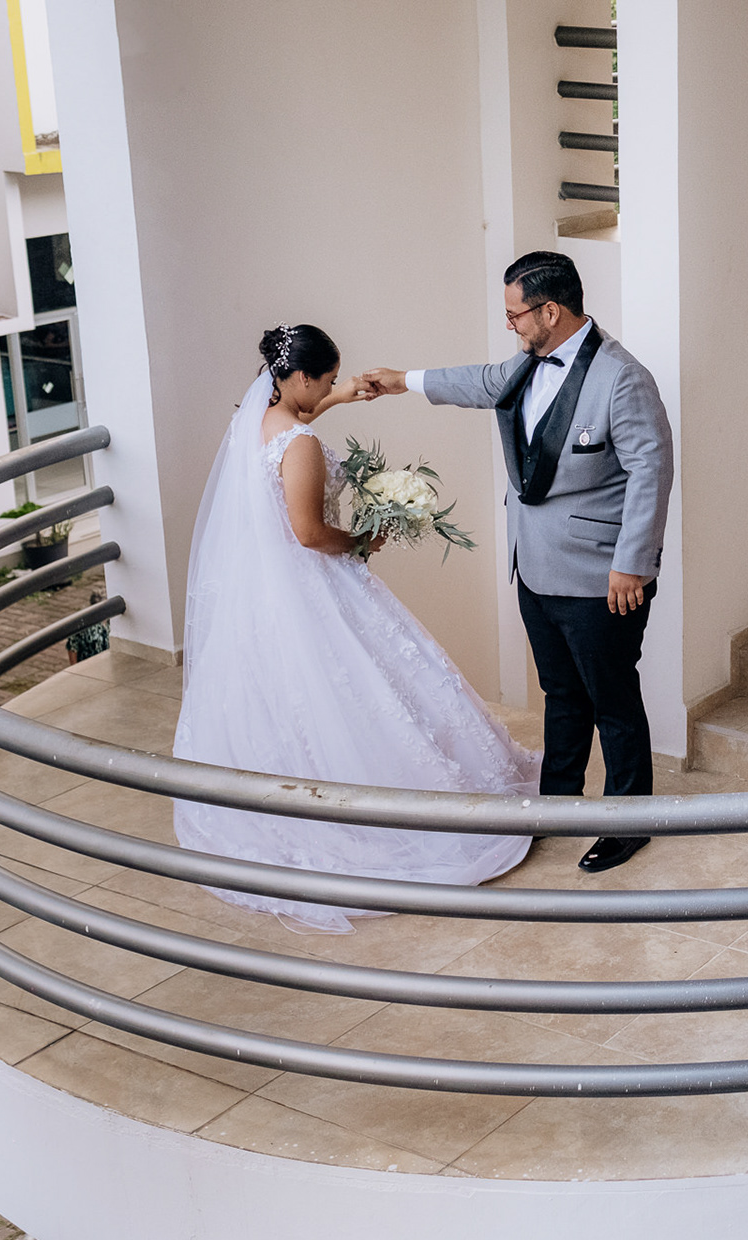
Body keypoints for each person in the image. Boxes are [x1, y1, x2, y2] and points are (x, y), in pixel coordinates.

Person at [172, 323, 541, 933]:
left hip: (265, 591)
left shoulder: (254, 420)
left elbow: (296, 423)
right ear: (299, 377)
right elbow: (310, 533)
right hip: (314, 582)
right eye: (327, 379)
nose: (330, 387)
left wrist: (340, 399)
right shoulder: (299, 445)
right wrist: (364, 541)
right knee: (365, 688)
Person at [361, 250, 673, 874]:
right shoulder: (526, 362)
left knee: (612, 700)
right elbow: (478, 382)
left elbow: (652, 471)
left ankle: (628, 820)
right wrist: (402, 381)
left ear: (549, 311)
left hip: (602, 576)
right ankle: (557, 804)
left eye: (514, 314)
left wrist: (632, 564)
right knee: (561, 693)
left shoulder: (623, 377)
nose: (509, 325)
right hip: (533, 565)